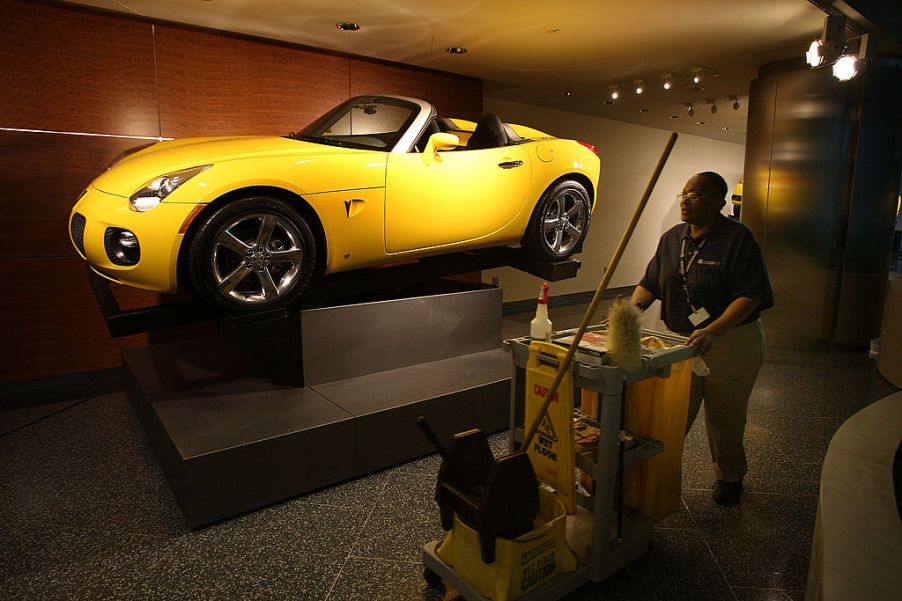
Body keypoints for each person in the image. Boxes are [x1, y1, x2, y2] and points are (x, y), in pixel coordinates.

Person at [630, 172, 773, 506]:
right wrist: (627, 316)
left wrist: (714, 329)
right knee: (673, 412)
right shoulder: (672, 238)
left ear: (718, 201)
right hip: (682, 343)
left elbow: (749, 296)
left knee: (725, 414)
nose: (686, 200)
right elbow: (651, 282)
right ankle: (660, 475)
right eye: (684, 192)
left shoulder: (738, 239)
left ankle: (730, 476)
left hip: (730, 340)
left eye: (696, 195)